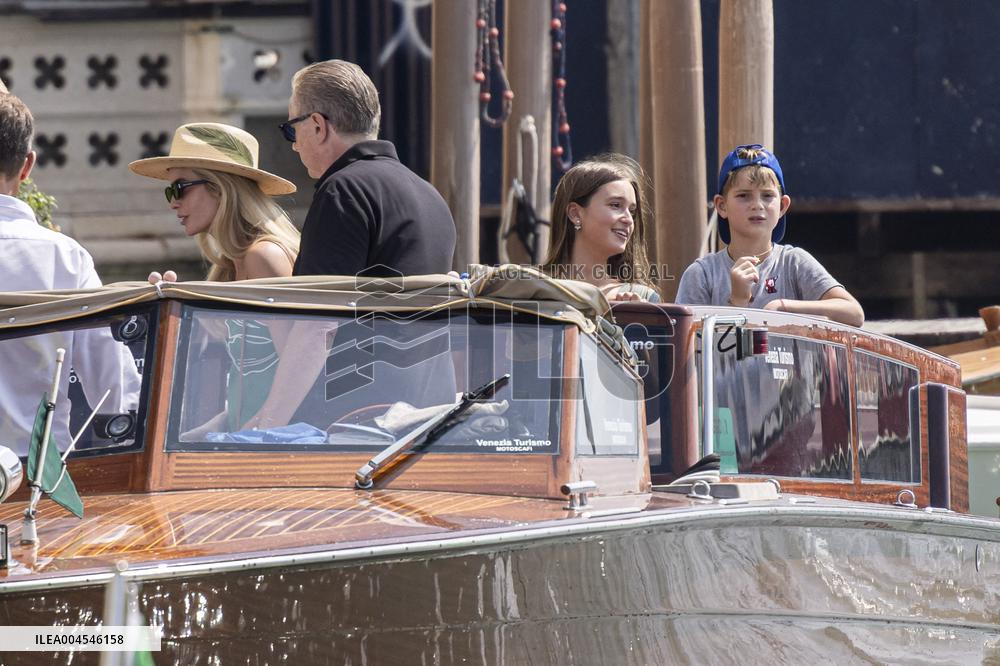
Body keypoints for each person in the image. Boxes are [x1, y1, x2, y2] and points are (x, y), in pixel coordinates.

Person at [0, 92, 140, 456]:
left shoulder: (67, 256)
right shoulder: (66, 257)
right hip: (39, 473)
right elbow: (114, 390)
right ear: (27, 166)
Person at [284, 59, 456, 277]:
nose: (294, 145)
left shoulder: (343, 190)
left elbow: (317, 302)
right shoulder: (430, 194)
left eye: (292, 130)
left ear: (318, 126)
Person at [676, 144, 864, 327]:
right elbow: (686, 347)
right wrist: (737, 302)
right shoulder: (702, 274)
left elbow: (854, 313)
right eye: (743, 196)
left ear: (782, 206)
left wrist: (783, 307)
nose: (757, 205)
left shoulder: (793, 263)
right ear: (722, 206)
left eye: (767, 196)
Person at [129, 122, 300, 281]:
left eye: (180, 188)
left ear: (219, 189)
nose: (173, 203)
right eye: (170, 192)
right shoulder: (230, 265)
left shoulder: (263, 255)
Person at [541, 153, 659, 302]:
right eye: (615, 205)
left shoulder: (644, 299)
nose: (629, 219)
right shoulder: (531, 290)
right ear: (575, 213)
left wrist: (637, 320)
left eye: (632, 211)